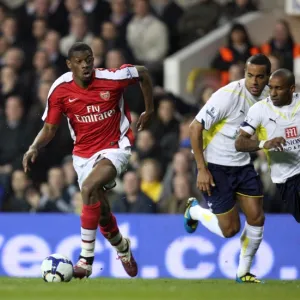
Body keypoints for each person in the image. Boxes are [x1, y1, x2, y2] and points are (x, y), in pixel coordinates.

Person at [22, 42, 154, 279]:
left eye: (89, 59)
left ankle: (86, 261)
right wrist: (34, 146)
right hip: (83, 155)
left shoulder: (112, 78)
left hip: (116, 147)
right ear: (69, 64)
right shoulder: (60, 89)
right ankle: (122, 247)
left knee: (88, 187)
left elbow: (143, 73)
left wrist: (149, 109)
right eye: (80, 61)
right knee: (101, 213)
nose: (86, 65)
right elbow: (50, 128)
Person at [184, 54, 271, 283]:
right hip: (215, 166)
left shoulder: (269, 97)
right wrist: (202, 169)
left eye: (259, 77)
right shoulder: (228, 96)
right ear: (244, 73)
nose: (254, 81)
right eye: (250, 75)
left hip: (242, 165)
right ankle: (195, 211)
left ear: (267, 78)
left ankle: (243, 272)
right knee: (230, 230)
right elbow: (194, 128)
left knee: (257, 217)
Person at [235, 68, 300, 223]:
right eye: (270, 88)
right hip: (285, 180)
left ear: (292, 89)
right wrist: (265, 143)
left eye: (278, 88)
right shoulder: (260, 110)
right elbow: (239, 142)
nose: (273, 93)